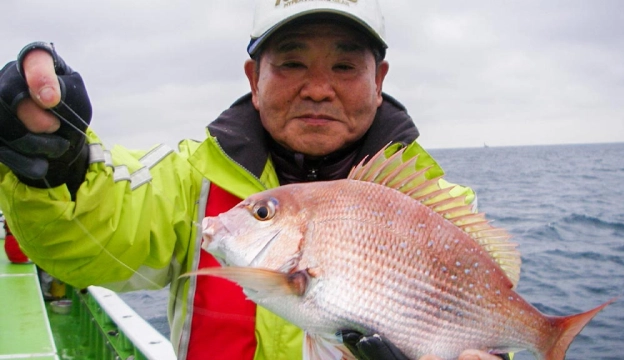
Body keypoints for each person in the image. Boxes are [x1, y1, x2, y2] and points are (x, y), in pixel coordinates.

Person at [0, 1, 509, 360]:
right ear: (253, 79)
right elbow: (84, 240)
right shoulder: (189, 180)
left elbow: (485, 333)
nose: (317, 88)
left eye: (345, 65)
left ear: (379, 81)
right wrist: (56, 161)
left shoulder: (442, 205)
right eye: (290, 62)